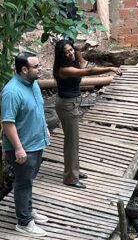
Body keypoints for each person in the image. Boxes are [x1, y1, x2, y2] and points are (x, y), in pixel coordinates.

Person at [53, 39, 123, 188]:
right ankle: (70, 178)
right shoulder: (64, 69)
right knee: (71, 142)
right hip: (67, 106)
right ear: (61, 55)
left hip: (71, 104)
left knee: (74, 141)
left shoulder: (73, 61)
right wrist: (110, 68)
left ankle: (74, 171)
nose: (70, 53)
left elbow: (80, 57)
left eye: (71, 49)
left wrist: (75, 48)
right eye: (66, 52)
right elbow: (89, 71)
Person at [1, 52, 50, 237]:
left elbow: (38, 107)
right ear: (24, 70)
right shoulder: (12, 92)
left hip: (36, 142)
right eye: (36, 66)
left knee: (29, 181)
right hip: (23, 148)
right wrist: (18, 148)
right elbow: (7, 123)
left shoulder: (33, 84)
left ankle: (28, 211)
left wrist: (44, 127)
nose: (40, 68)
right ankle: (24, 222)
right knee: (23, 183)